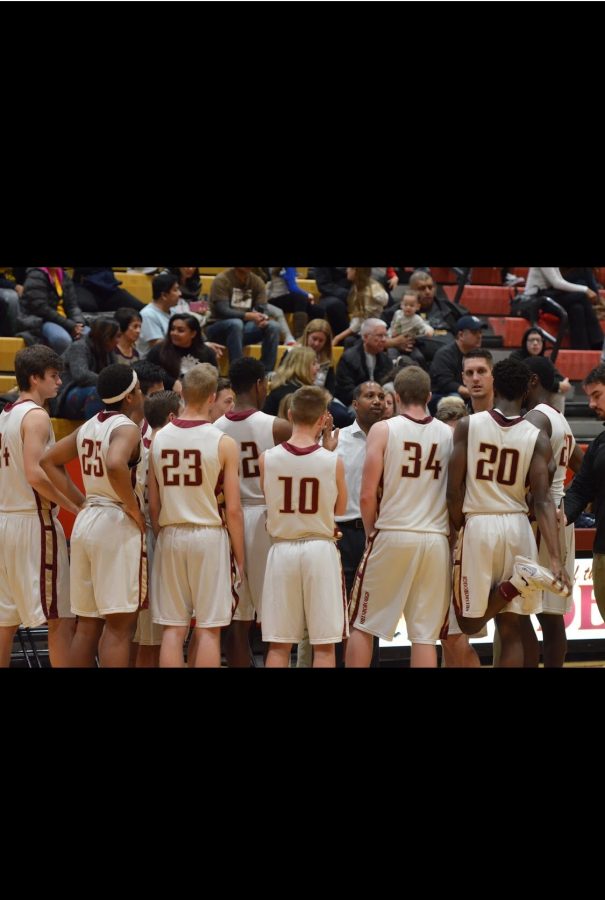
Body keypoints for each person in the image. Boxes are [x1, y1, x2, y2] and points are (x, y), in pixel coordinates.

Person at [447, 358, 572, 667]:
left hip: (480, 524)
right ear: (524, 391)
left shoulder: (468, 425)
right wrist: (555, 558)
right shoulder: (537, 437)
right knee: (511, 627)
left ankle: (513, 584)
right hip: (518, 528)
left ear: (496, 386)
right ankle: (515, 583)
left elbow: (453, 489)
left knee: (468, 624)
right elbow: (542, 500)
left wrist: (460, 525)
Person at [347, 367, 453, 667]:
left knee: (363, 624)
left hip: (393, 532)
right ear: (429, 396)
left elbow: (367, 494)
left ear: (395, 396)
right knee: (424, 636)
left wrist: (371, 533)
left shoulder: (384, 429)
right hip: (435, 539)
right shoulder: (448, 433)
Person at [41, 364, 147, 667]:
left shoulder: (89, 425)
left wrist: (80, 501)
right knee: (118, 627)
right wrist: (131, 506)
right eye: (138, 389)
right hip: (114, 523)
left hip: (88, 522)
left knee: (87, 626)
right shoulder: (126, 428)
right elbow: (115, 464)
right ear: (130, 396)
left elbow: (49, 460)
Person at [148, 364, 244, 667]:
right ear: (212, 396)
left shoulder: (159, 438)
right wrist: (240, 557)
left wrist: (166, 536)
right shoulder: (223, 442)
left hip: (171, 533)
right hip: (208, 536)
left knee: (173, 630)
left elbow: (154, 502)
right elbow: (233, 509)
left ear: (183, 394)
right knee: (208, 630)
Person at [0, 346, 81, 667]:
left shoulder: (4, 414)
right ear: (34, 378)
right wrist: (73, 505)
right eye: (53, 376)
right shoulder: (36, 416)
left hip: (6, 522)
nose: (59, 382)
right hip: (34, 524)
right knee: (60, 616)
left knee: (5, 618)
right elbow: (35, 473)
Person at [260, 386, 347, 667]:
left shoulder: (267, 458)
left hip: (282, 549)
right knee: (324, 646)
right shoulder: (332, 460)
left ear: (289, 414)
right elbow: (341, 509)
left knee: (279, 645)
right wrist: (326, 450)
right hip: (319, 550)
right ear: (323, 419)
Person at [213, 357, 292, 666]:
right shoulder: (278, 426)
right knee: (275, 617)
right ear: (261, 384)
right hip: (265, 519)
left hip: (229, 519)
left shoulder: (214, 429)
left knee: (238, 619)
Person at [524, 356, 583, 667]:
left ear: (532, 380)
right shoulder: (560, 418)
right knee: (551, 615)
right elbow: (580, 469)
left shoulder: (535, 418)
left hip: (541, 518)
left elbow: (537, 475)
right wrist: (569, 503)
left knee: (525, 613)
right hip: (560, 515)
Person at [131, 389, 182, 668]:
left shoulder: (141, 440)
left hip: (144, 534)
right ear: (172, 416)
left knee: (142, 635)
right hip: (155, 535)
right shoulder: (159, 447)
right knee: (151, 637)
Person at [435, 396, 482, 668]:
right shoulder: (436, 459)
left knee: (454, 636)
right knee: (446, 636)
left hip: (462, 553)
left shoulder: (471, 464)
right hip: (439, 550)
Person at [564, 364, 605, 625]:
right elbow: (580, 490)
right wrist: (558, 516)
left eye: (597, 395)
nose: (590, 404)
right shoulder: (600, 442)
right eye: (589, 396)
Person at [205, 267, 281, 372]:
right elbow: (222, 310)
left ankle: (265, 372)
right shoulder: (222, 279)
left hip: (243, 329)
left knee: (273, 326)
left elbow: (262, 308)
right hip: (217, 327)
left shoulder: (257, 281)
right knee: (236, 323)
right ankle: (238, 372)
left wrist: (262, 318)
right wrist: (247, 316)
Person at [53, 318, 120, 420]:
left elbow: (117, 374)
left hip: (92, 392)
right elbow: (81, 376)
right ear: (106, 337)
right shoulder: (79, 347)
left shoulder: (109, 351)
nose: (118, 341)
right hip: (64, 397)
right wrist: (110, 382)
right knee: (98, 392)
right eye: (117, 336)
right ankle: (94, 433)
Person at [525, 267, 603, 350]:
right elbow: (557, 283)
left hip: (549, 293)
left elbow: (560, 281)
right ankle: (598, 340)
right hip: (537, 299)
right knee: (582, 295)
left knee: (577, 308)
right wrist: (585, 290)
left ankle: (581, 349)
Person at [21, 267, 87, 354]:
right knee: (62, 339)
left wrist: (79, 324)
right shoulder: (36, 275)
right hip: (41, 321)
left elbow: (73, 305)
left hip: (66, 321)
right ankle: (61, 366)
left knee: (88, 334)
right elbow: (41, 309)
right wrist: (71, 326)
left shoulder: (64, 276)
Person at [145, 313, 220, 388]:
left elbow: (214, 378)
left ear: (193, 334)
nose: (174, 333)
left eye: (180, 330)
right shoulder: (158, 350)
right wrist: (172, 383)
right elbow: (148, 373)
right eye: (172, 329)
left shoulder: (207, 352)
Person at [510, 327, 571, 411]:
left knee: (558, 393)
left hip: (538, 394)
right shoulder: (516, 357)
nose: (535, 343)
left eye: (538, 340)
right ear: (525, 342)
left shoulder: (545, 360)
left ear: (543, 343)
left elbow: (557, 377)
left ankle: (556, 421)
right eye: (531, 340)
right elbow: (525, 380)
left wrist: (562, 384)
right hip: (521, 393)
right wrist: (558, 385)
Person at [334, 318, 392, 407]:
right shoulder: (348, 358)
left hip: (379, 402)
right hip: (355, 403)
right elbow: (346, 390)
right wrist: (368, 401)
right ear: (365, 337)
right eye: (380, 335)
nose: (384, 339)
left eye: (385, 335)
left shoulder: (386, 359)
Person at [429, 315, 484, 407]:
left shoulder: (479, 355)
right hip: (442, 396)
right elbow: (446, 384)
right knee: (455, 400)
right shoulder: (445, 354)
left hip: (468, 394)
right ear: (461, 335)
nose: (479, 336)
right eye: (474, 332)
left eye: (480, 332)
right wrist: (472, 392)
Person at [332, 267, 389, 347]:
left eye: (350, 268)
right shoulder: (359, 287)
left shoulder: (368, 293)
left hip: (372, 330)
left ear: (356, 271)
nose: (347, 270)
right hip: (365, 329)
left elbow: (359, 323)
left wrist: (337, 338)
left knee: (351, 342)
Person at [263, 346, 319, 416]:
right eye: (314, 363)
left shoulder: (283, 385)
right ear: (302, 367)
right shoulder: (297, 394)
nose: (318, 367)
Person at [137, 272, 182, 357]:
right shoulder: (147, 315)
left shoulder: (174, 312)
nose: (180, 293)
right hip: (154, 364)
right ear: (164, 295)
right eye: (175, 290)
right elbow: (158, 346)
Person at [267, 267, 316, 338]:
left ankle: (312, 339)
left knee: (317, 310)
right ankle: (299, 337)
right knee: (300, 298)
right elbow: (292, 288)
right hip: (273, 300)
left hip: (285, 298)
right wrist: (308, 295)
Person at [461, 349, 494, 413]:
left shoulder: (511, 418)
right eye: (470, 373)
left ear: (493, 374)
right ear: (463, 378)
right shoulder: (458, 419)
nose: (475, 378)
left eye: (481, 371)